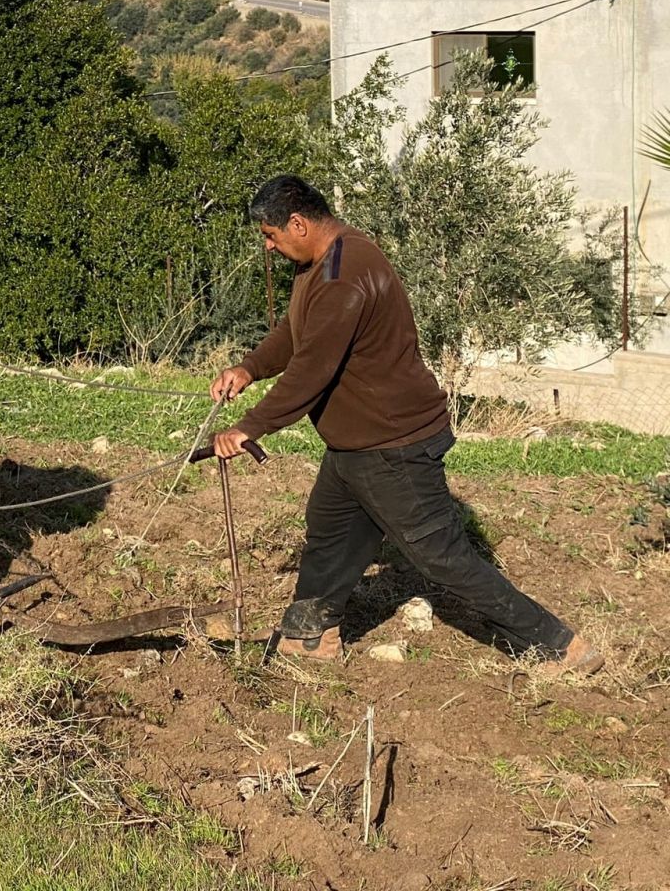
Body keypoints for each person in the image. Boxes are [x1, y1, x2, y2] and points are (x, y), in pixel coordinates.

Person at [210, 175, 601, 675]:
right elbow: (297, 334)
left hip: (393, 443)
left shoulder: (344, 274)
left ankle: (558, 645)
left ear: (299, 224)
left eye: (270, 235)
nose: (268, 246)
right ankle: (310, 637)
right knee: (330, 531)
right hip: (357, 444)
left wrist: (250, 427)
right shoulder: (322, 263)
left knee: (441, 558)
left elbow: (313, 367)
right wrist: (249, 368)